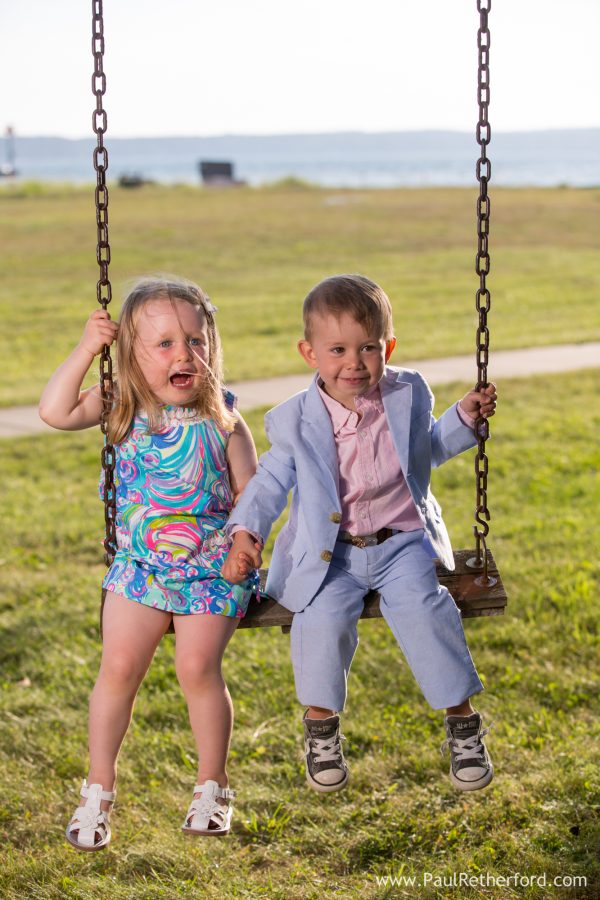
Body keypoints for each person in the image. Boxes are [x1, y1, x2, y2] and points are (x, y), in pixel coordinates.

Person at [222, 274, 497, 795]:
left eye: (369, 347)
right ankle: (321, 728)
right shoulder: (298, 421)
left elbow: (428, 450)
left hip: (401, 543)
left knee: (427, 609)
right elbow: (269, 484)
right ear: (310, 353)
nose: (355, 362)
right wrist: (245, 536)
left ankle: (462, 724)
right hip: (333, 556)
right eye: (338, 349)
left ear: (387, 347)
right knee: (320, 620)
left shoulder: (406, 393)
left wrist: (464, 417)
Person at [39, 276, 259, 849]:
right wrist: (88, 349)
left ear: (212, 344)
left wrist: (244, 546)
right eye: (163, 344)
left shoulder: (225, 420)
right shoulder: (120, 405)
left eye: (194, 340)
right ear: (131, 356)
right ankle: (98, 790)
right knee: (118, 669)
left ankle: (213, 788)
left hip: (212, 572)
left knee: (196, 669)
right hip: (140, 568)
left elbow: (253, 498)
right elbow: (54, 411)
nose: (183, 354)